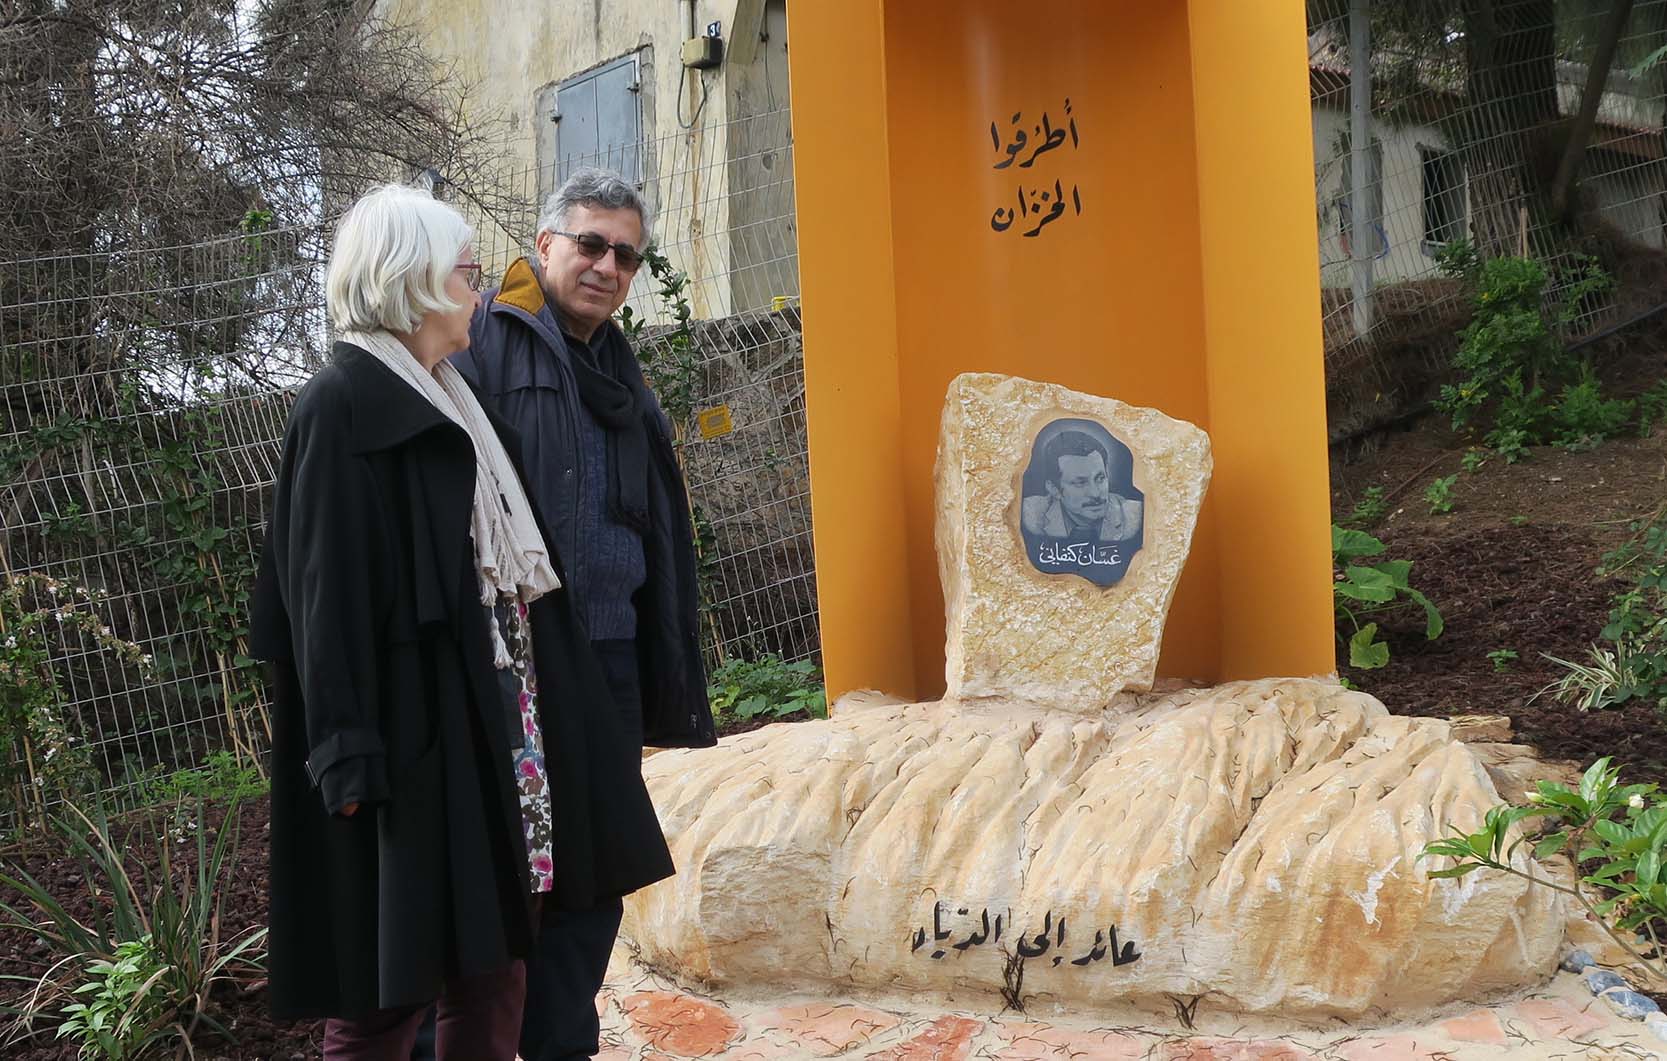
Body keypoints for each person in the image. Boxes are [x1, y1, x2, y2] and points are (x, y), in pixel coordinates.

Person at [250, 183, 674, 1060]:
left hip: (493, 723)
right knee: (388, 992)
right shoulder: (343, 404)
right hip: (411, 741)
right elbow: (320, 602)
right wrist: (346, 753)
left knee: (496, 964)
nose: (478, 294)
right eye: (464, 274)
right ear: (409, 280)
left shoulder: (456, 399)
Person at [451, 167, 717, 1061]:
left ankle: (562, 1040)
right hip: (522, 657)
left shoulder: (616, 364)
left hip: (609, 653)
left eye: (626, 255)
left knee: (597, 871)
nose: (607, 266)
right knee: (518, 869)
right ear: (544, 245)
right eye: (591, 244)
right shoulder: (485, 341)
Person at [1021, 428, 1143, 542]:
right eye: (1080, 483)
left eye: (1100, 479)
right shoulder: (1031, 515)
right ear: (1054, 489)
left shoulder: (1135, 518)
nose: (1095, 494)